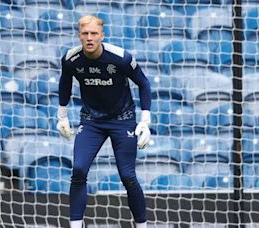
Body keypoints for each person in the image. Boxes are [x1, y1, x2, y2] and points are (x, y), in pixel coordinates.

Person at [57, 15, 151, 228]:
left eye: (94, 33)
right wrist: (61, 116)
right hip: (91, 121)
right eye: (85, 33)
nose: (89, 38)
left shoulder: (121, 58)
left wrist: (145, 121)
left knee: (127, 176)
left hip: (123, 119)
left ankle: (142, 225)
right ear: (79, 35)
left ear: (102, 35)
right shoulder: (71, 59)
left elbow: (144, 84)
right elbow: (64, 82)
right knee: (79, 169)